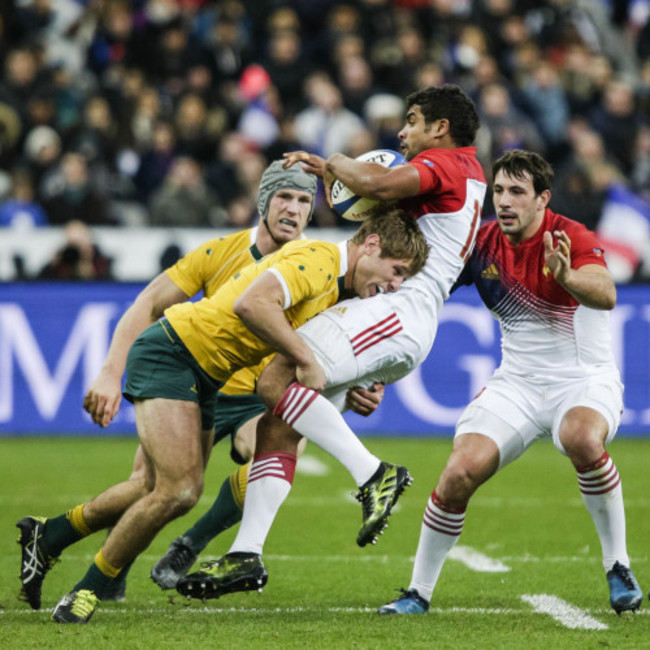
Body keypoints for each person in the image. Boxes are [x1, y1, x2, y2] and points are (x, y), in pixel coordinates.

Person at [19, 195, 428, 624]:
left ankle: (49, 536)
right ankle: (88, 589)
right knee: (177, 490)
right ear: (371, 245)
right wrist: (306, 358)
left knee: (157, 487)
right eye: (397, 271)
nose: (396, 285)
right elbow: (251, 305)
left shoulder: (341, 287)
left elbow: (300, 365)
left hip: (209, 375)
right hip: (173, 353)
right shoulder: (320, 259)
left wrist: (355, 390)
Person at [176, 84, 488, 601]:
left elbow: (376, 181)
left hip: (395, 308)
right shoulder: (465, 180)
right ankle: (245, 555)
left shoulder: (449, 163)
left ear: (440, 128)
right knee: (282, 425)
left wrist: (332, 162)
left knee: (276, 377)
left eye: (411, 120)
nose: (402, 131)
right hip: (398, 317)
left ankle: (375, 475)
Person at [377, 149, 644, 615]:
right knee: (459, 472)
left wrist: (569, 277)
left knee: (580, 437)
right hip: (517, 384)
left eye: (517, 192)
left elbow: (606, 293)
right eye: (498, 190)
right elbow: (423, 280)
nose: (504, 201)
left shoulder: (571, 236)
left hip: (582, 381)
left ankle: (617, 565)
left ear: (542, 199)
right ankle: (417, 593)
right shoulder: (481, 242)